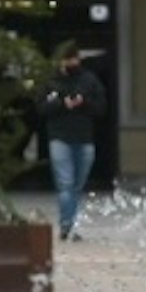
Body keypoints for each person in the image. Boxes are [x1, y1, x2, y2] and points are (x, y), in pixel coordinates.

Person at [35, 45, 107, 238]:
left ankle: (69, 222)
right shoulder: (51, 82)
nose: (70, 63)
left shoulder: (89, 80)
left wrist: (84, 103)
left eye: (73, 58)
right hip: (59, 137)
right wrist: (61, 104)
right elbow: (41, 107)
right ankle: (68, 225)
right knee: (66, 183)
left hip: (84, 138)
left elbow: (101, 107)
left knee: (77, 185)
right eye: (66, 59)